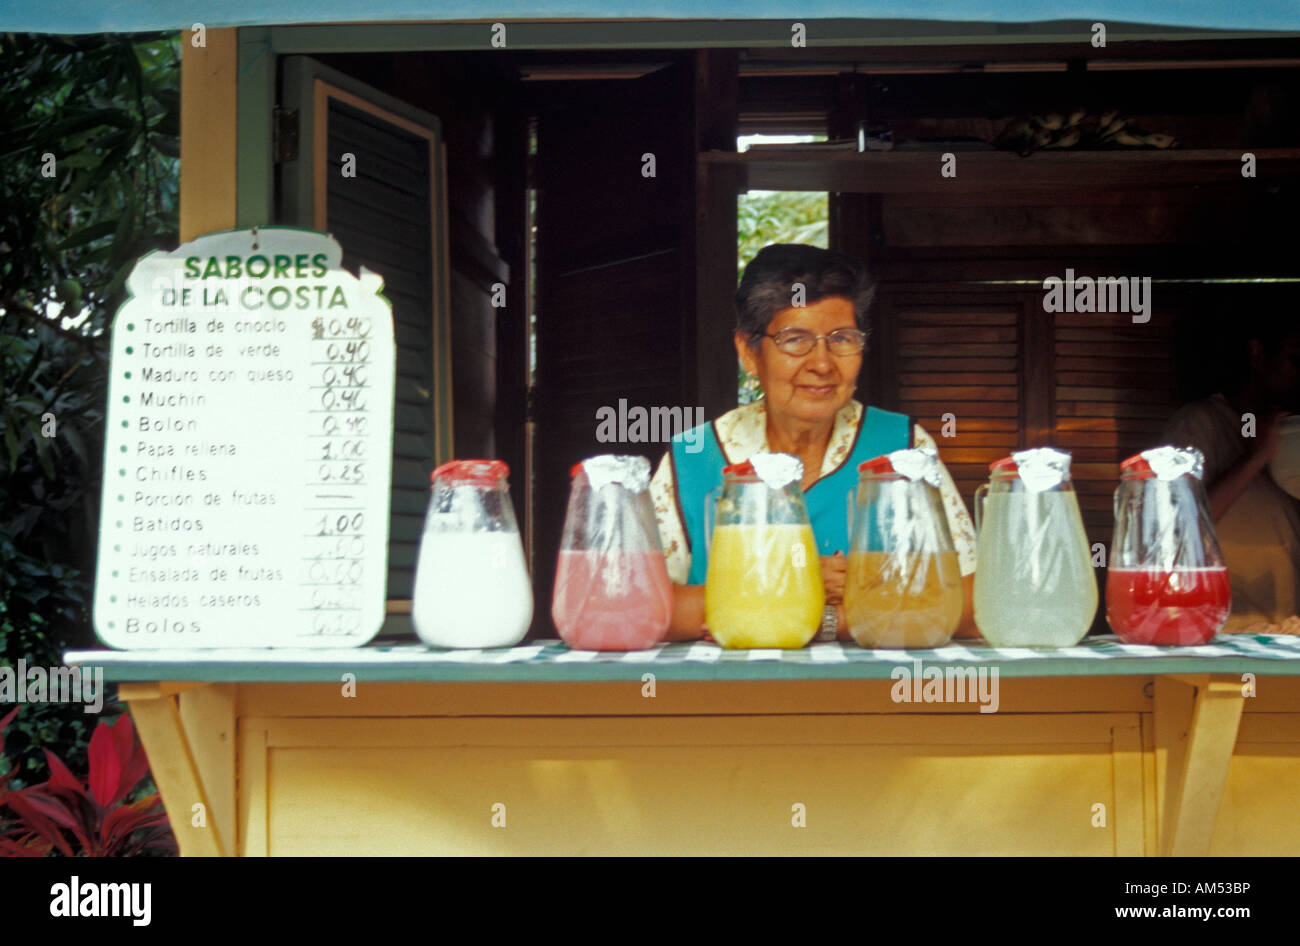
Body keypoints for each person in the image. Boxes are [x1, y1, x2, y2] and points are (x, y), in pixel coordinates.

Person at [650, 243, 978, 641]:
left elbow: (971, 604)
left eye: (842, 339)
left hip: (871, 697)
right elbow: (639, 608)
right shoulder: (693, 457)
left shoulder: (903, 449)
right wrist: (798, 580)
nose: (822, 364)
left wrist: (829, 620)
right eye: (794, 339)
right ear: (748, 352)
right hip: (727, 696)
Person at [1162, 310, 1300, 633]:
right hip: (1225, 643)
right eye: (1295, 359)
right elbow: (1175, 531)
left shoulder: (1290, 437)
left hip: (1287, 641)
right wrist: (1253, 460)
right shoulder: (1199, 424)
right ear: (1257, 353)